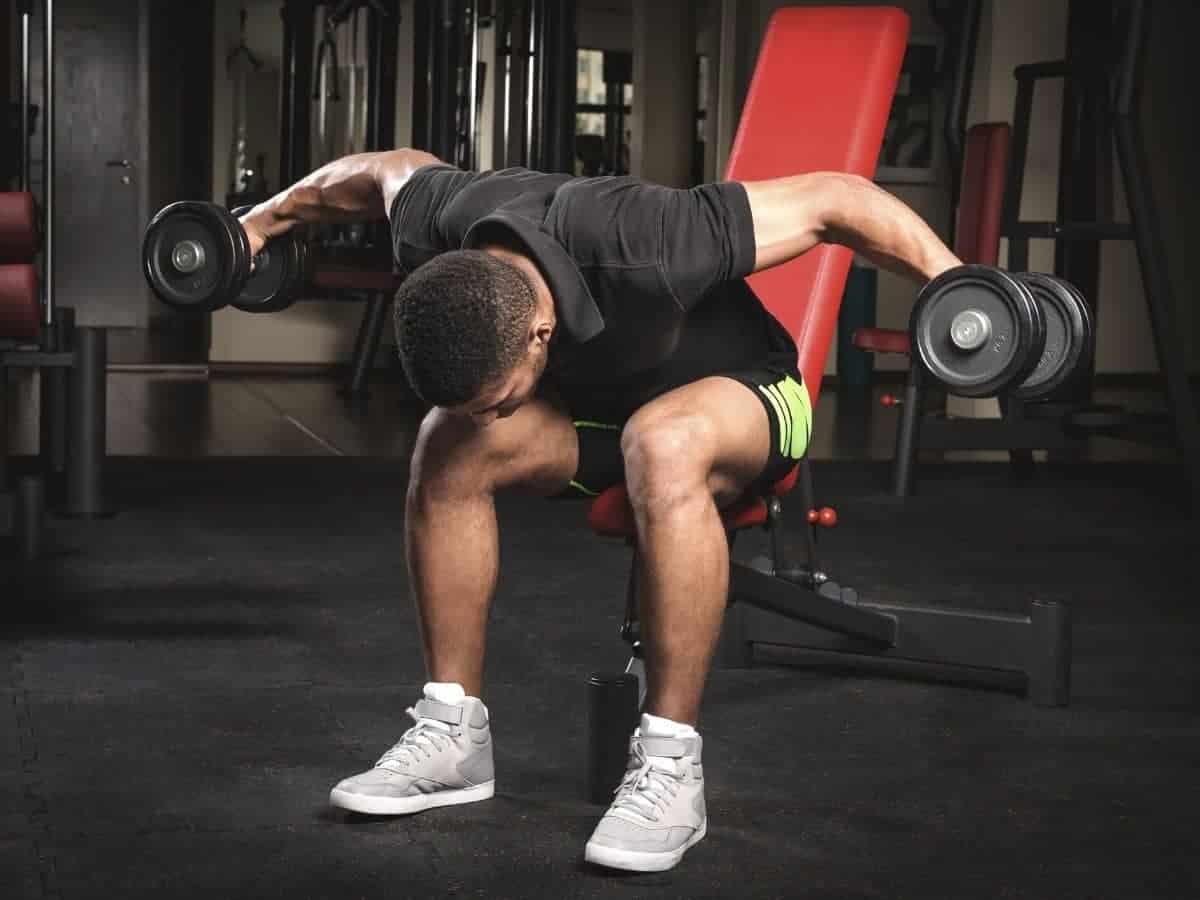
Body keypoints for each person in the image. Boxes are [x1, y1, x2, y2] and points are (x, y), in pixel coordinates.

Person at [239, 149, 961, 873]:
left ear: (539, 337)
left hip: (742, 400)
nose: (499, 414)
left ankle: (672, 764)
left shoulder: (646, 238)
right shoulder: (443, 217)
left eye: (501, 397)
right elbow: (377, 173)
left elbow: (835, 199)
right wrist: (258, 225)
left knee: (663, 440)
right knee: (449, 438)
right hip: (604, 422)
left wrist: (960, 290)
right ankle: (454, 735)